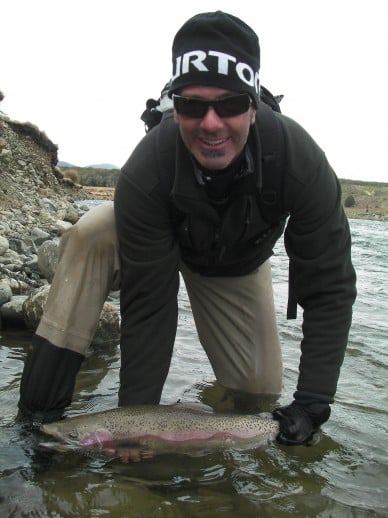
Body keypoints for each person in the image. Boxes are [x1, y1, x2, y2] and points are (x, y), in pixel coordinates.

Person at [18, 11, 356, 446]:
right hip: (150, 248)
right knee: (92, 232)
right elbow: (149, 306)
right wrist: (135, 425)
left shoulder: (298, 161)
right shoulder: (148, 166)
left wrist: (312, 402)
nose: (211, 123)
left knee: (256, 397)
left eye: (230, 104)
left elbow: (329, 287)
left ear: (253, 107)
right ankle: (37, 423)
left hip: (234, 265)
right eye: (193, 105)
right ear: (175, 108)